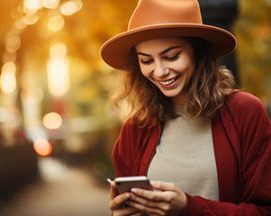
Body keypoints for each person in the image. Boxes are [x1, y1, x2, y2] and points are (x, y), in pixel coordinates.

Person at [100, 0, 271, 215]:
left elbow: (265, 210)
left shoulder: (245, 112)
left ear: (197, 51)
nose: (160, 71)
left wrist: (188, 207)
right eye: (146, 61)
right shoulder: (136, 127)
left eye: (171, 56)